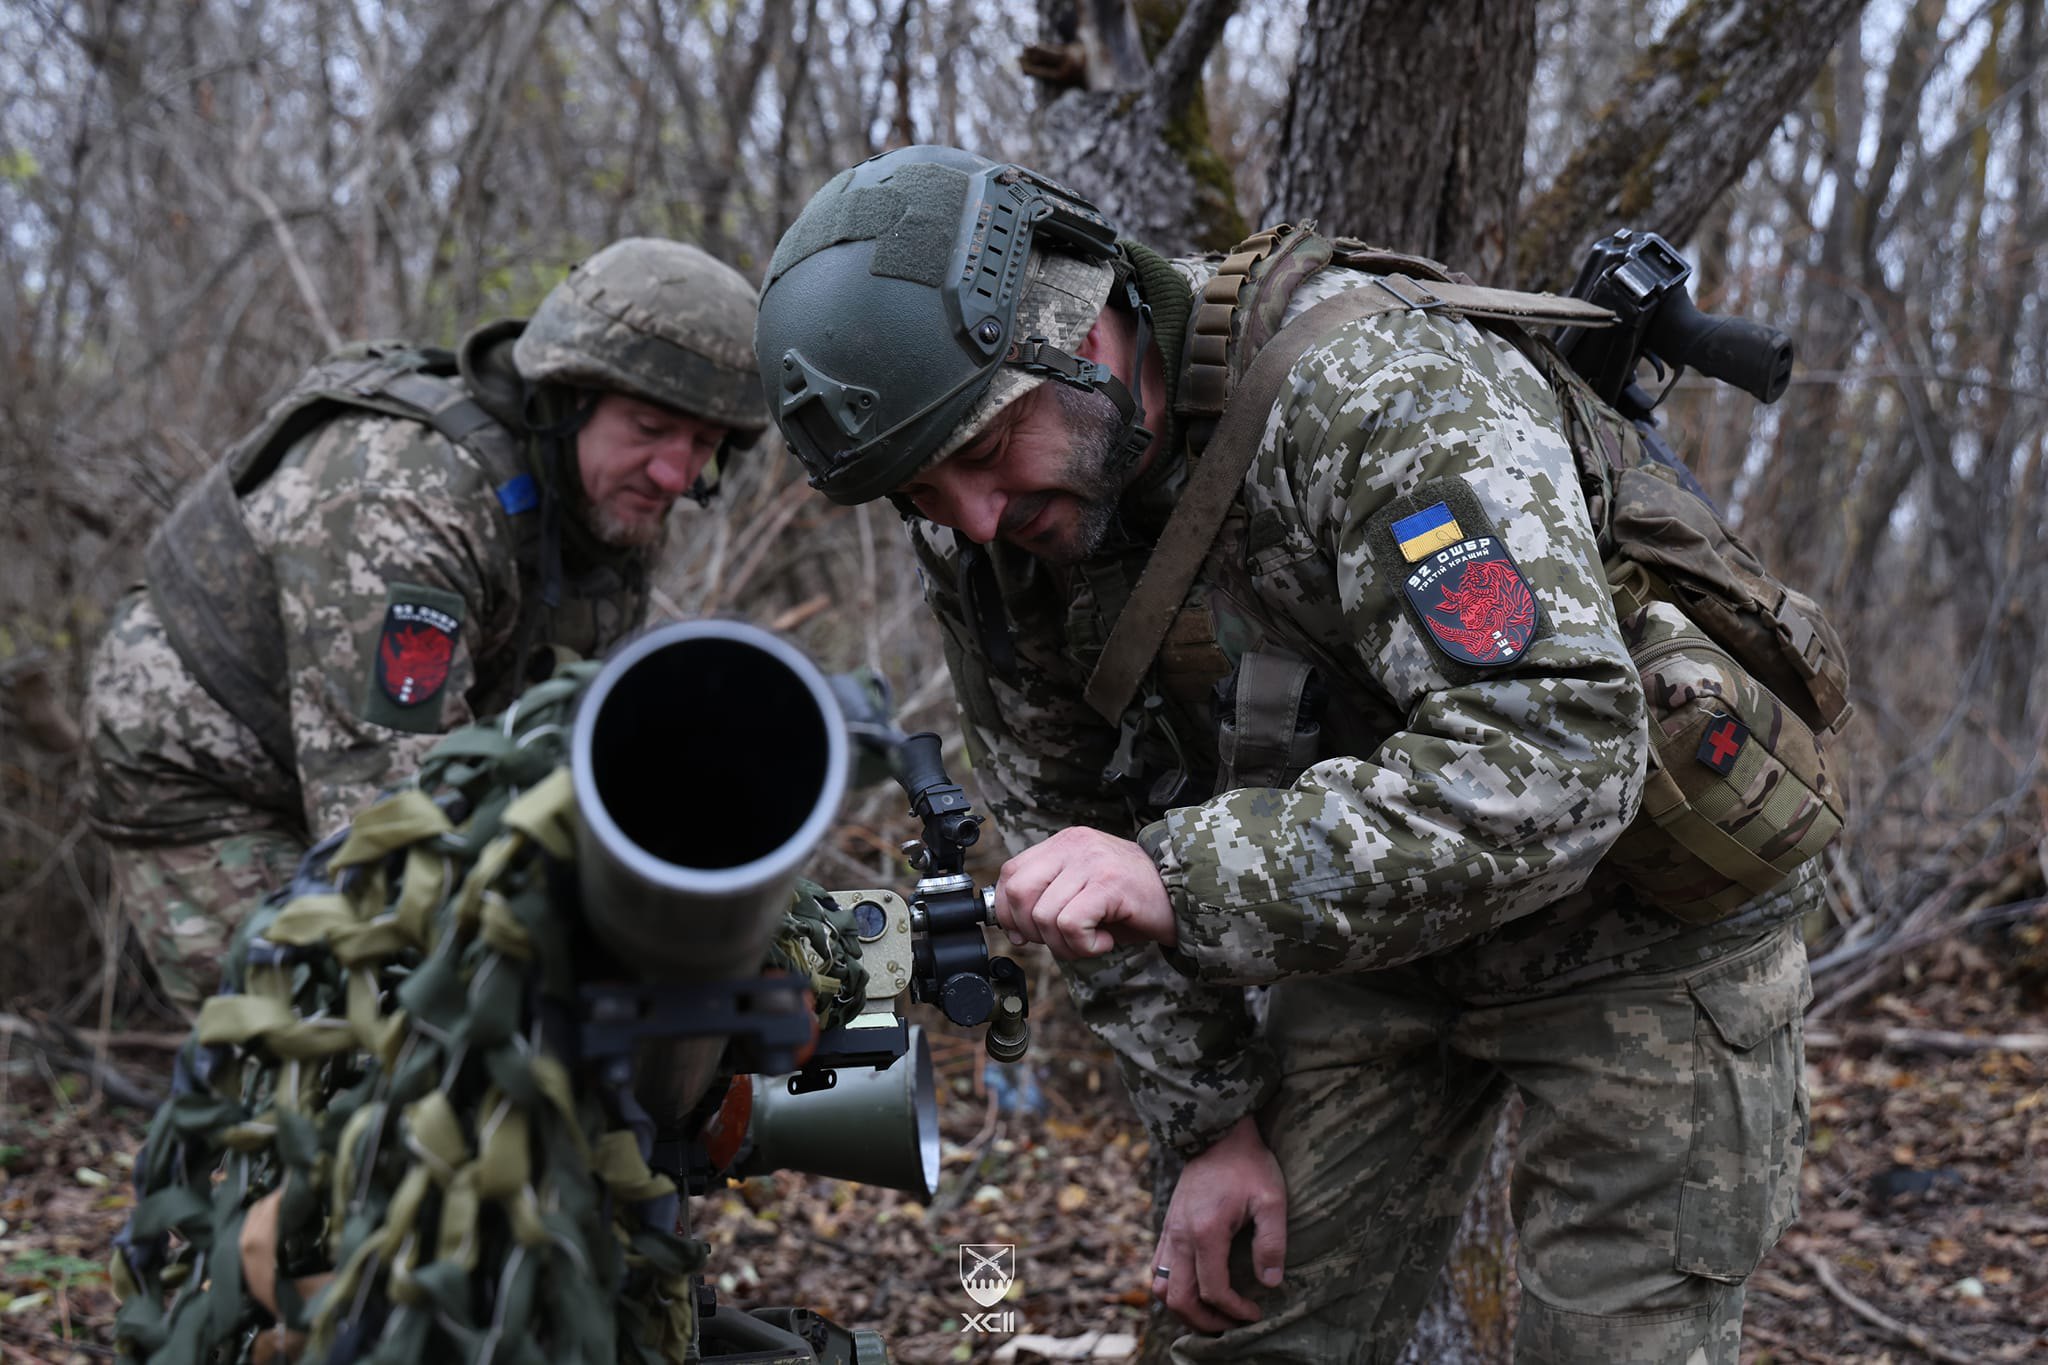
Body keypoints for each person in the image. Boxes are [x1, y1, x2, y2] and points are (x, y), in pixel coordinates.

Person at [753, 146, 1815, 1362]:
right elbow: (1058, 833)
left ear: (1081, 332)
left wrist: (1181, 879)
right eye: (921, 495)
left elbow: (1559, 756)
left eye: (988, 455)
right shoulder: (984, 535)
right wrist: (1207, 1122)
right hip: (1375, 947)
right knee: (1242, 1330)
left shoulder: (1373, 391)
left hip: (1647, 925)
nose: (978, 520)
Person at [86, 238, 767, 1009]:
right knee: (324, 1039)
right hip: (205, 772)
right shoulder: (407, 501)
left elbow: (565, 746)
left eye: (703, 444)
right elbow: (385, 826)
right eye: (648, 428)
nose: (675, 474)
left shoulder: (610, 504)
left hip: (358, 761)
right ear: (569, 393)